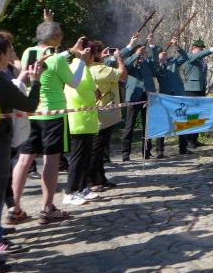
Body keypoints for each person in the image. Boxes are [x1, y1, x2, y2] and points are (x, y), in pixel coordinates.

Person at [0, 31, 43, 271]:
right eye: (9, 51)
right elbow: (29, 105)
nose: (11, 55)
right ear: (1, 55)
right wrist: (36, 81)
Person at [10, 19, 90, 225]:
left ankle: (14, 207)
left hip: (31, 112)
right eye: (60, 34)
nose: (62, 37)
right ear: (54, 37)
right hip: (53, 116)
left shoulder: (28, 52)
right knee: (51, 161)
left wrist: (69, 52)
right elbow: (74, 82)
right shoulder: (56, 59)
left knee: (24, 160)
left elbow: (49, 60)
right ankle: (47, 208)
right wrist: (81, 61)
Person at [62, 42, 101, 206]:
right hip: (79, 119)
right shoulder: (76, 67)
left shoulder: (83, 67)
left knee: (85, 157)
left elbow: (91, 89)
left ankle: (83, 187)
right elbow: (78, 90)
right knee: (78, 158)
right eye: (93, 54)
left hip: (88, 119)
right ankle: (70, 191)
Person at [89, 42, 127, 189]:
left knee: (99, 149)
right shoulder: (101, 69)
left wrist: (101, 58)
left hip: (98, 114)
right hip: (104, 115)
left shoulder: (90, 68)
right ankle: (92, 180)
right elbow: (122, 74)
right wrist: (119, 58)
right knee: (97, 149)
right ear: (97, 54)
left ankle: (100, 178)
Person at [122, 33, 157, 160]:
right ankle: (125, 153)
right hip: (134, 96)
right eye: (141, 52)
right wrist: (136, 54)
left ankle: (146, 151)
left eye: (144, 52)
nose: (143, 54)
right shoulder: (131, 62)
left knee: (147, 125)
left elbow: (155, 66)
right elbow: (125, 66)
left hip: (147, 95)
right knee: (129, 125)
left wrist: (152, 46)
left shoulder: (147, 63)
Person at [182, 38, 213, 149]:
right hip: (191, 90)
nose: (202, 50)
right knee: (191, 115)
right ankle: (188, 140)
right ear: (195, 48)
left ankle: (194, 139)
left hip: (200, 89)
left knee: (198, 114)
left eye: (202, 49)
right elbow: (199, 55)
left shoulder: (200, 60)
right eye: (200, 48)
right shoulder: (190, 56)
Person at [153, 37, 190, 156]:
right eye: (161, 54)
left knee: (181, 120)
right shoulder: (156, 66)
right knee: (163, 122)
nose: (164, 55)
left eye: (165, 53)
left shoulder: (173, 61)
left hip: (178, 95)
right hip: (165, 97)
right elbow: (154, 73)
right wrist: (160, 63)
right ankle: (160, 150)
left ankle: (183, 148)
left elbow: (185, 57)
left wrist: (177, 46)